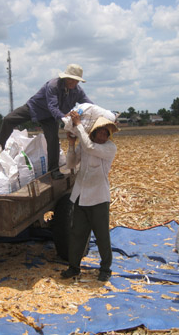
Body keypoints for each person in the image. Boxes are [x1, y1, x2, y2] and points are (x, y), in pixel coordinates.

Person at [0, 63, 93, 180]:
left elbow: (89, 104)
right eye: (72, 80)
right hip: (35, 108)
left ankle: (54, 170)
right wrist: (64, 118)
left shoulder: (77, 90)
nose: (74, 83)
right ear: (65, 77)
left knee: (53, 139)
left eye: (76, 81)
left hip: (50, 117)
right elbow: (52, 106)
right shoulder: (53, 86)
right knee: (8, 119)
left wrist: (105, 114)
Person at [60, 112, 118, 282]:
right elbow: (71, 164)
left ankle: (105, 268)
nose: (102, 135)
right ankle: (74, 267)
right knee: (77, 233)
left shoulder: (109, 148)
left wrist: (78, 125)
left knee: (102, 235)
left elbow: (90, 148)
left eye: (105, 133)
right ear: (92, 133)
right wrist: (71, 144)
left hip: (98, 198)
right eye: (99, 132)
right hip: (81, 196)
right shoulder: (84, 145)